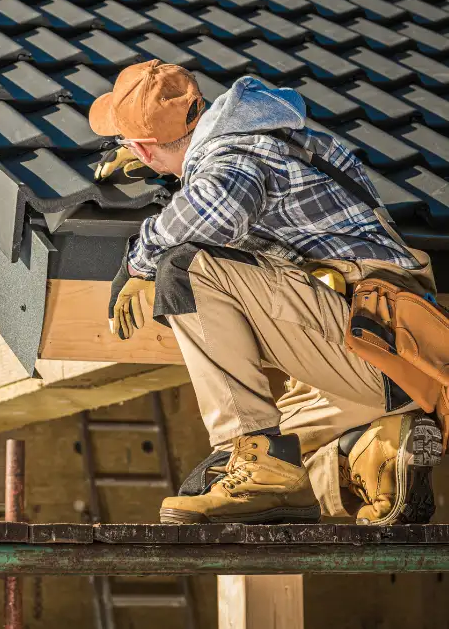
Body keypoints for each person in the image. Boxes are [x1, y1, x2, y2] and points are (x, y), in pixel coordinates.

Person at [89, 60, 442, 525]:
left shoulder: (235, 154)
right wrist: (175, 168)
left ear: (142, 147)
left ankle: (258, 462)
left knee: (185, 267)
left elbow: (218, 208)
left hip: (370, 341)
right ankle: (376, 454)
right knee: (245, 477)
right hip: (392, 365)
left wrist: (140, 260)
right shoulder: (273, 140)